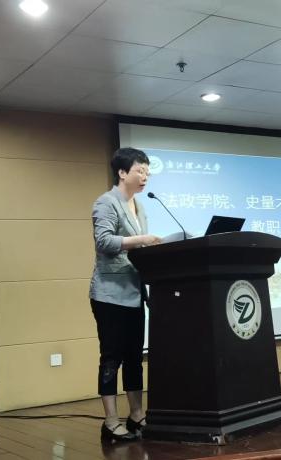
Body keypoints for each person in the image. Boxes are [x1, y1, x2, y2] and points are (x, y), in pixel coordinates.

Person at [90, 147, 161, 443]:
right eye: (139, 171)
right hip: (109, 295)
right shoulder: (106, 202)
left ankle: (136, 415)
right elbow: (104, 241)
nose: (145, 177)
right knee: (111, 358)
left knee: (134, 357)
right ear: (122, 172)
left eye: (147, 172)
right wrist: (142, 239)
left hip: (134, 293)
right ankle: (110, 422)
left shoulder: (139, 207)